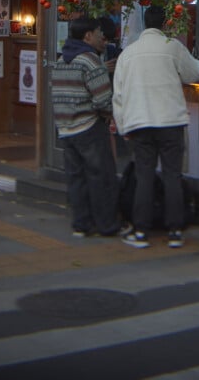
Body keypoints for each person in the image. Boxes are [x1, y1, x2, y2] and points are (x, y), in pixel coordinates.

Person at [113, 5, 199, 249]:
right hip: (171, 121)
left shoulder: (128, 54)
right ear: (165, 24)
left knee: (144, 175)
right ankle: (175, 231)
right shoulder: (172, 47)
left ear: (144, 24)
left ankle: (141, 232)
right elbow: (195, 72)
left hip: (139, 122)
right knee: (172, 175)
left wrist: (123, 127)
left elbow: (118, 96)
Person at [51, 17, 126, 238]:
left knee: (76, 179)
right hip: (89, 127)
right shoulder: (90, 60)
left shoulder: (62, 60)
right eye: (98, 33)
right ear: (87, 36)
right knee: (100, 177)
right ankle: (107, 225)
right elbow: (103, 99)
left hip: (65, 129)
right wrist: (108, 115)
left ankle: (81, 224)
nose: (101, 37)